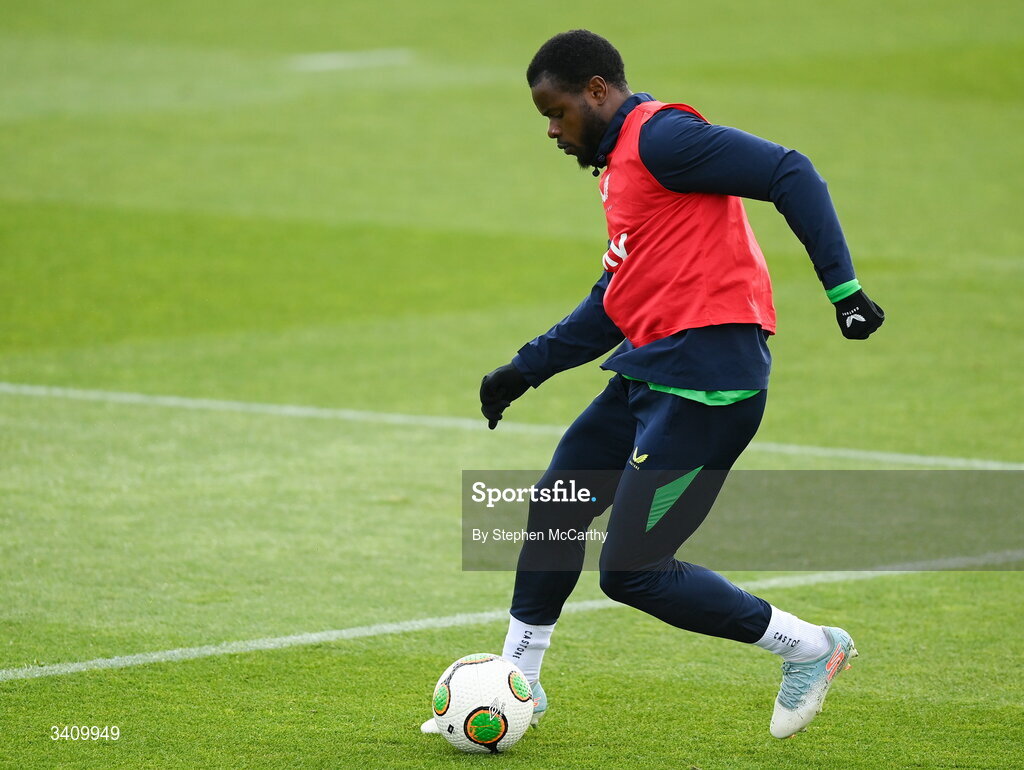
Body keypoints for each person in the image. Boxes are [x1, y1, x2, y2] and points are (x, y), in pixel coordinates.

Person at [423, 29, 884, 740]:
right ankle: (523, 684)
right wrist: (525, 369)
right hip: (650, 371)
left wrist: (843, 290)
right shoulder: (620, 170)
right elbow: (617, 297)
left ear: (598, 92)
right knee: (556, 505)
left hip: (709, 388)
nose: (551, 130)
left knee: (632, 570)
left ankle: (811, 648)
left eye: (558, 112)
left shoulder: (664, 138)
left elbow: (790, 171)